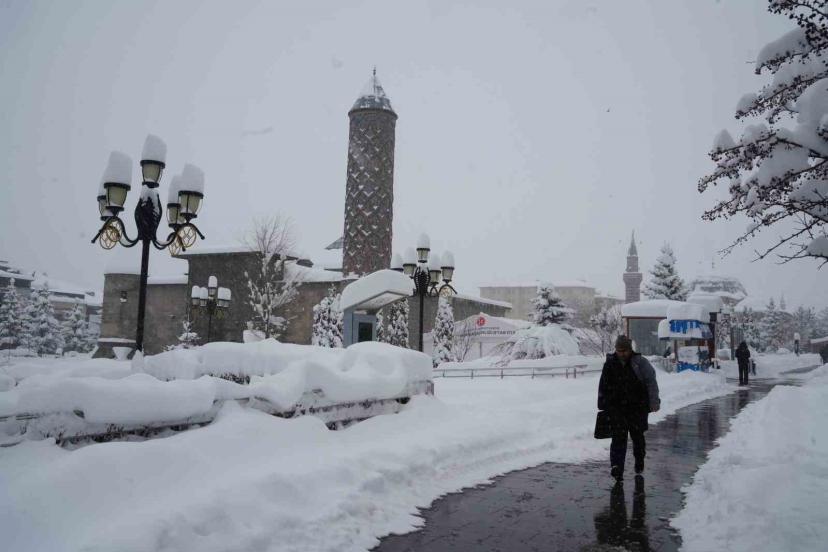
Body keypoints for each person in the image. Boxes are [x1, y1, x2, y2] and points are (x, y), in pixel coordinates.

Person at [597, 335, 660, 482]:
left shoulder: (640, 363)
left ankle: (639, 460)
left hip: (638, 408)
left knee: (638, 437)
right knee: (618, 438)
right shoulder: (610, 364)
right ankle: (616, 467)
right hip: (617, 408)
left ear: (630, 349)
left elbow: (651, 382)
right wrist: (603, 403)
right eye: (619, 350)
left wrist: (654, 401)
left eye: (624, 350)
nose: (622, 354)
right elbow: (603, 385)